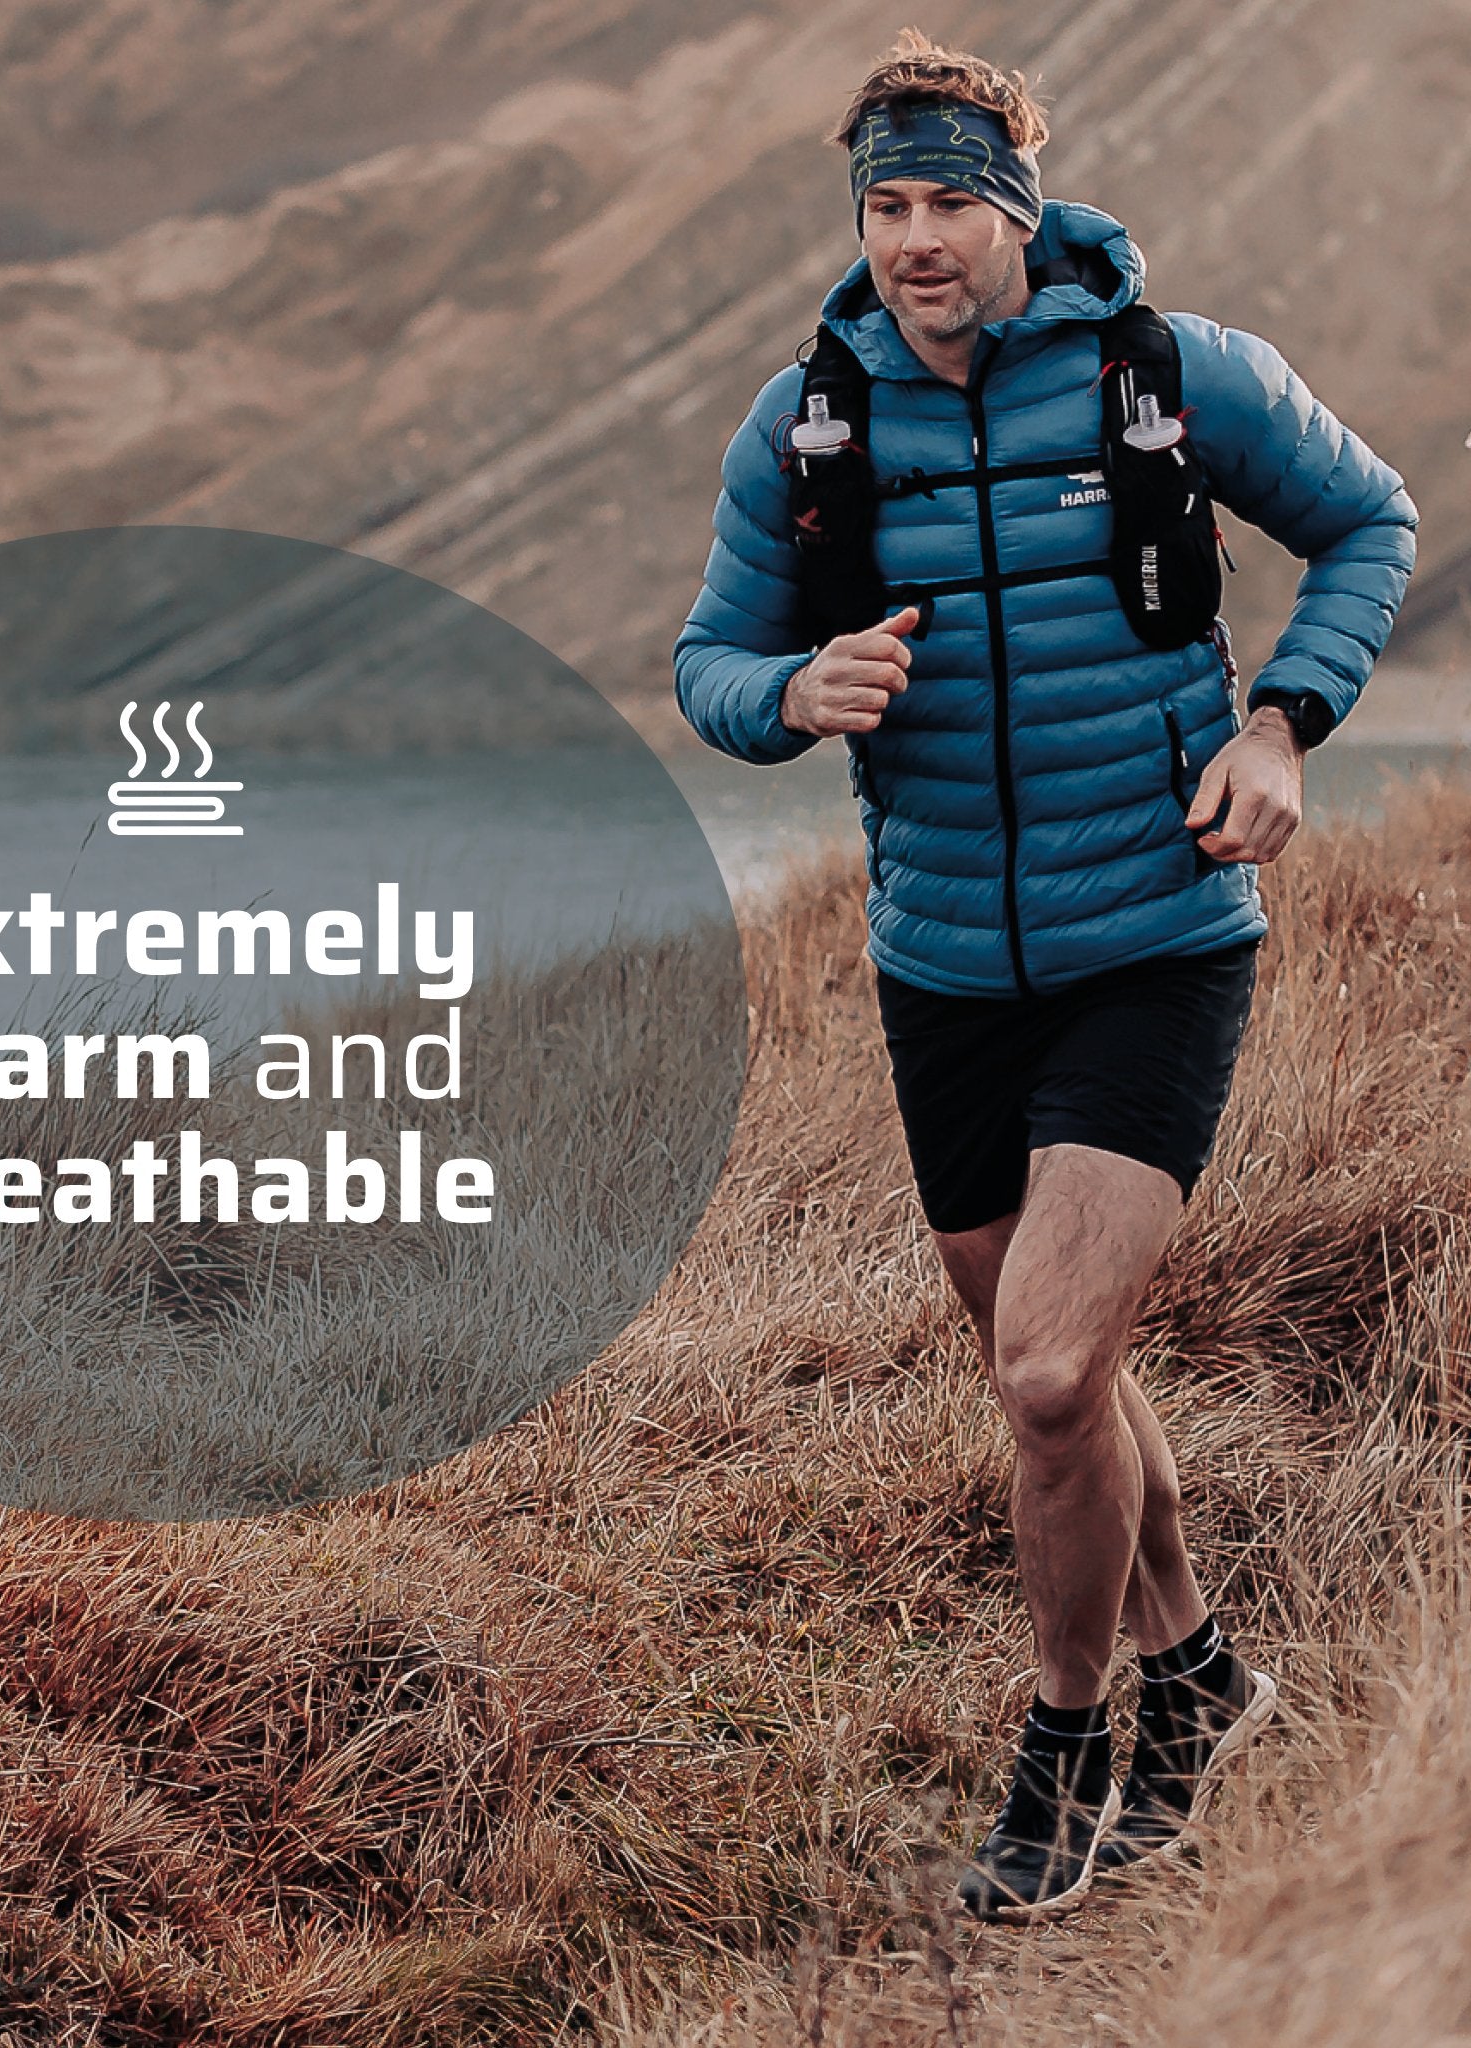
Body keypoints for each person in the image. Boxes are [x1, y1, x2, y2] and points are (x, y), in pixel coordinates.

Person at [672, 28, 1418, 1923]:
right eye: (888, 203)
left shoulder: (1169, 378)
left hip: (1156, 935)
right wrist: (792, 695)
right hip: (940, 965)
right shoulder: (812, 421)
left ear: (1016, 206)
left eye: (950, 202)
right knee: (1061, 1399)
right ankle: (1203, 1680)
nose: (918, 239)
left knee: (1051, 1369)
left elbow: (1368, 520)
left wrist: (1285, 727)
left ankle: (1068, 1740)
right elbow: (713, 663)